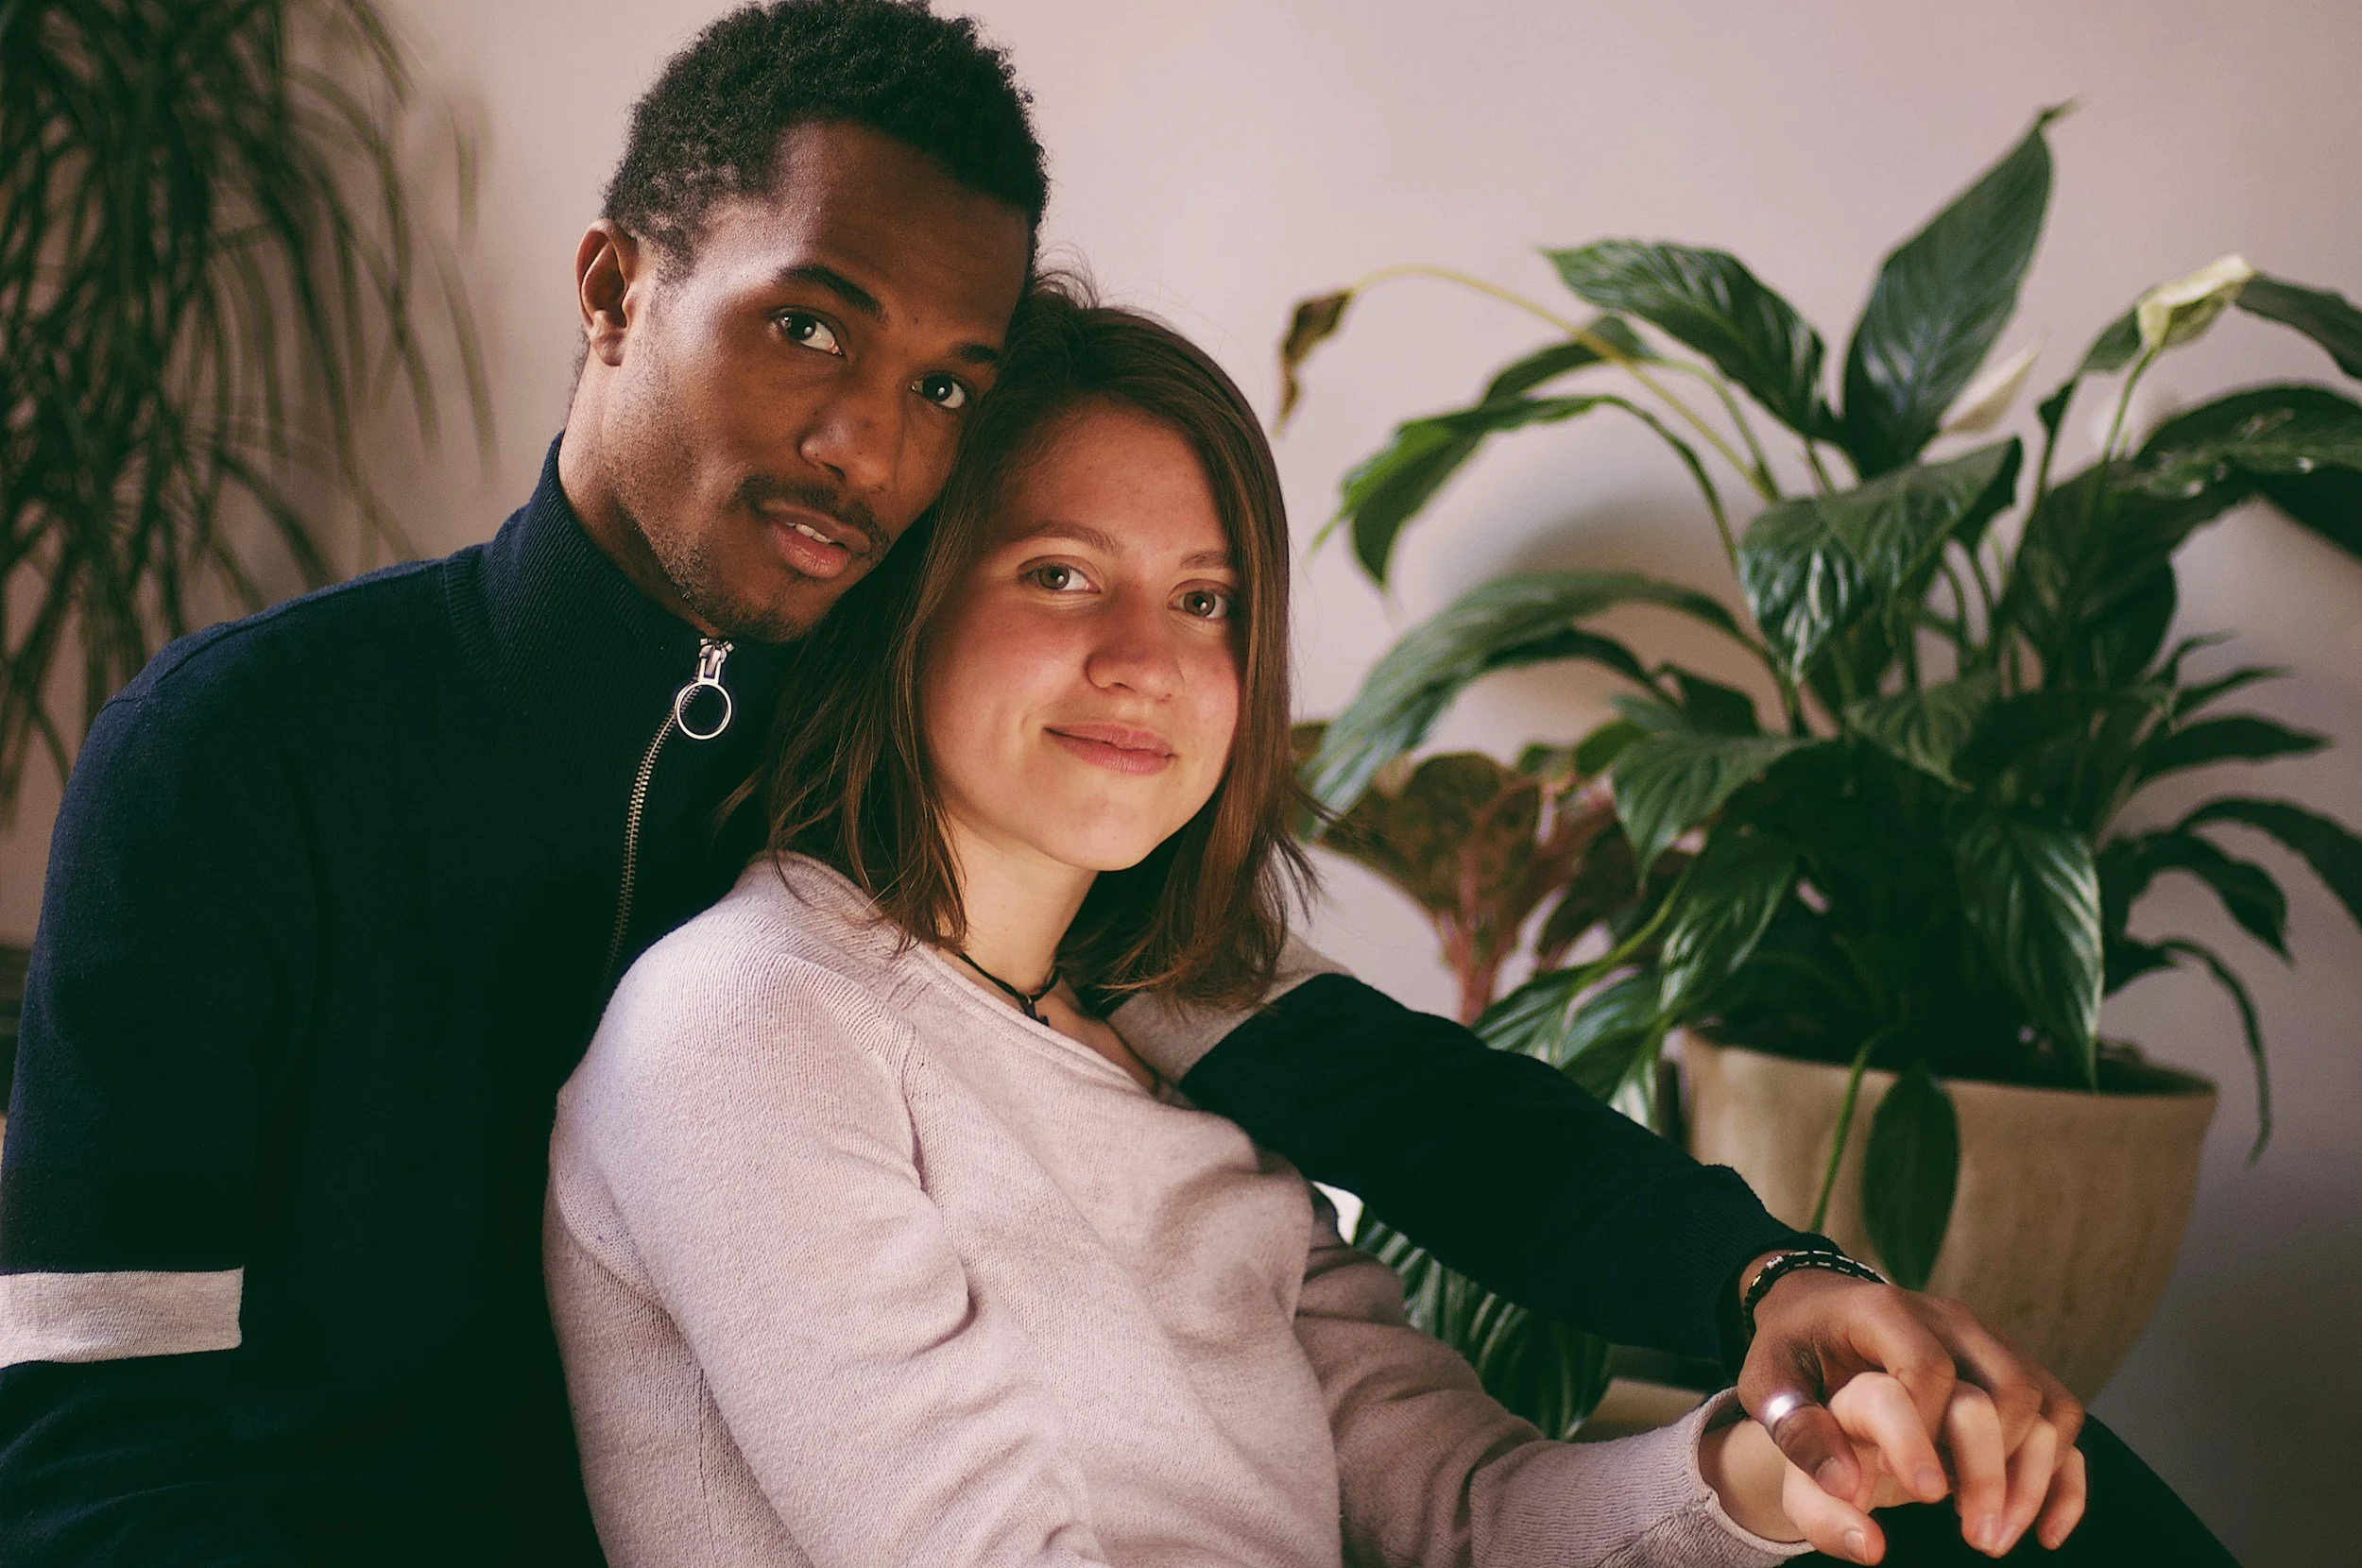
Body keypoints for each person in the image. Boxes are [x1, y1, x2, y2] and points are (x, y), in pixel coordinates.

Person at [0, 3, 2093, 1563]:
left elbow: (1389, 1095)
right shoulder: (246, 753)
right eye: (808, 328)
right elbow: (94, 1425)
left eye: (942, 385)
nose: (866, 441)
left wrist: (1768, 1284)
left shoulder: (905, 798)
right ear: (614, 285)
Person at [546, 286, 2085, 1567]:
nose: (1144, 656)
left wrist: (1771, 1476)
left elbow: (1466, 1516)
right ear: (910, 602)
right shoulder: (751, 1023)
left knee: (2029, 1507)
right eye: (1061, 573)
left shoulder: (1191, 1042)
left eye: (1208, 601)